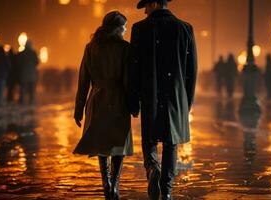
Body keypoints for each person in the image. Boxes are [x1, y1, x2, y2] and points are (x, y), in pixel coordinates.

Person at [129, 0, 197, 199]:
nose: (145, 12)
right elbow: (191, 71)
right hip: (176, 94)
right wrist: (187, 101)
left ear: (155, 4)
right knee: (171, 142)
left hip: (149, 92)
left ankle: (152, 168)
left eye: (147, 7)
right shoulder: (185, 28)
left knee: (149, 138)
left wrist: (133, 99)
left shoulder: (140, 29)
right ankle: (166, 190)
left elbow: (134, 67)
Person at [73, 11, 133, 200]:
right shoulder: (125, 48)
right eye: (123, 27)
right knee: (118, 143)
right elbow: (128, 80)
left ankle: (105, 182)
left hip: (97, 98)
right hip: (118, 98)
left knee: (101, 142)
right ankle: (115, 184)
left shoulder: (91, 47)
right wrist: (133, 104)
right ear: (116, 28)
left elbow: (83, 80)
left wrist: (79, 108)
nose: (125, 30)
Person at [16, 41, 39, 105]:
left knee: (23, 88)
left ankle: (22, 101)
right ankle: (31, 101)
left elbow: (18, 63)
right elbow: (37, 62)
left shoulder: (21, 53)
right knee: (31, 90)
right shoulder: (33, 53)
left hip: (23, 74)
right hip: (32, 74)